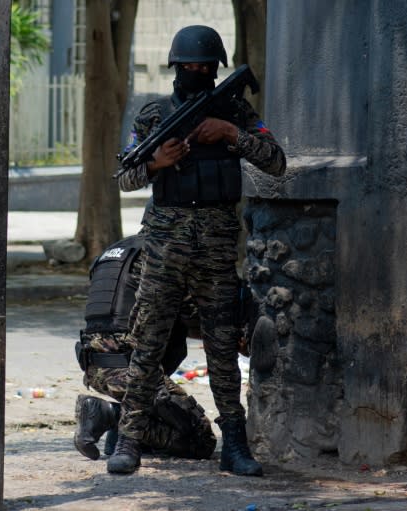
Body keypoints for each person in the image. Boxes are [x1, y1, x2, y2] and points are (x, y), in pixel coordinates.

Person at [109, 25, 286, 476]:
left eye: (205, 67)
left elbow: (276, 160)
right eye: (189, 66)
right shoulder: (153, 116)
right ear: (175, 68)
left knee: (222, 346)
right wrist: (156, 163)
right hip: (165, 245)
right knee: (148, 342)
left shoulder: (235, 111)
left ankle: (235, 446)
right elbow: (125, 175)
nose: (197, 71)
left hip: (216, 245)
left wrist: (230, 133)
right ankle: (128, 441)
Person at [74, 233, 217, 461]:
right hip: (134, 370)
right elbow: (193, 317)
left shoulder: (112, 253)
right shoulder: (161, 254)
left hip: (93, 365)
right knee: (201, 441)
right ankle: (109, 415)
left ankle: (119, 430)